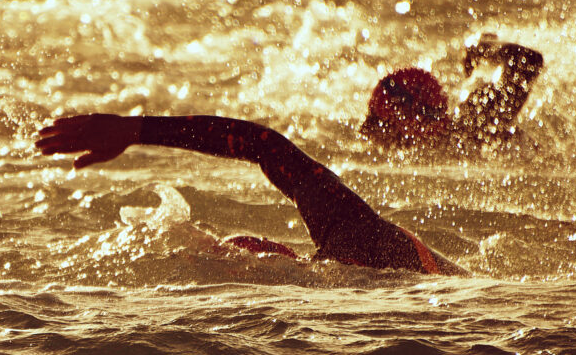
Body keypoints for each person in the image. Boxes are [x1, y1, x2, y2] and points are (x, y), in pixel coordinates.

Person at [36, 113, 465, 275]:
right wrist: (136, 130)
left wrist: (138, 129)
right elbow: (265, 145)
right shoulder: (345, 249)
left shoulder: (356, 240)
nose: (255, 249)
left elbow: (264, 144)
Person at [360, 34, 544, 148]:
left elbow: (528, 60)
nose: (365, 130)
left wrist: (481, 46)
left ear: (411, 125)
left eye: (377, 120)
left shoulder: (474, 129)